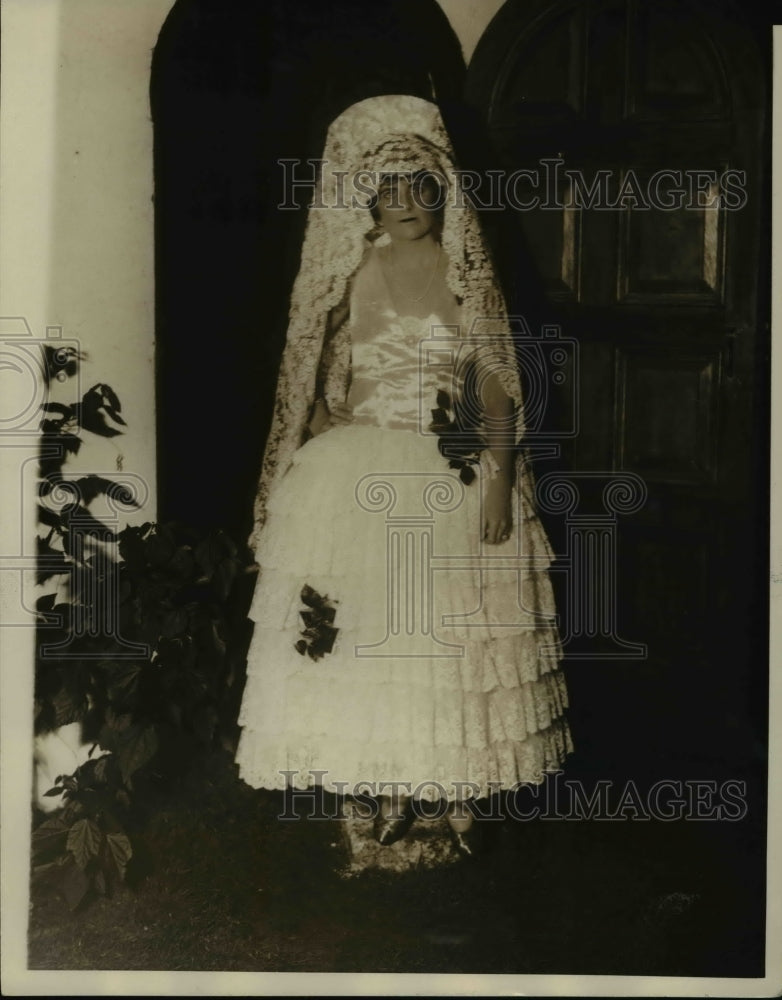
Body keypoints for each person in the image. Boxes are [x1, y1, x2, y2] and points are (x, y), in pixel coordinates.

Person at [235, 95, 572, 857]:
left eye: (419, 187)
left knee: (442, 643)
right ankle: (367, 800)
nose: (405, 205)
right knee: (360, 637)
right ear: (366, 201)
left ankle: (433, 803)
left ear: (442, 192)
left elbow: (496, 384)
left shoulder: (464, 274)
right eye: (388, 191)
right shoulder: (350, 273)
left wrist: (495, 482)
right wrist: (324, 432)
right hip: (357, 470)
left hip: (444, 466)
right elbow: (310, 377)